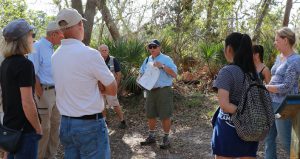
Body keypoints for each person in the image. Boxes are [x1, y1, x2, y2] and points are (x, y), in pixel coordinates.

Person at [52, 8, 117, 158]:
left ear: (61, 31)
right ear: (80, 24)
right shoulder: (90, 54)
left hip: (66, 125)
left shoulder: (55, 56)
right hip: (89, 125)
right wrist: (100, 87)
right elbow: (112, 89)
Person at [212, 32, 259, 158]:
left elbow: (224, 105)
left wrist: (242, 113)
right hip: (250, 129)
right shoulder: (254, 73)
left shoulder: (227, 71)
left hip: (228, 129)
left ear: (228, 49)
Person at [1, 19, 42, 158]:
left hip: (10, 127)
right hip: (25, 131)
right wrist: (37, 127)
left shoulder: (5, 63)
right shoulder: (25, 64)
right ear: (24, 39)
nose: (33, 38)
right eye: (31, 35)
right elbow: (27, 102)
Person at [27, 21, 64, 159]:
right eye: (61, 34)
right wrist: (40, 94)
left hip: (56, 93)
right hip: (44, 93)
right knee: (44, 129)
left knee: (55, 127)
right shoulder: (38, 47)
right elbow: (32, 73)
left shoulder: (53, 48)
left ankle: (51, 155)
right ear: (53, 34)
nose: (63, 37)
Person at [264, 27, 300, 159]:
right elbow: (275, 77)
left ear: (285, 40)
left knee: (286, 141)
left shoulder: (296, 60)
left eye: (277, 40)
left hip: (283, 107)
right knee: (268, 138)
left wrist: (266, 87)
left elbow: (286, 86)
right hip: (271, 103)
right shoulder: (279, 58)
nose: (275, 43)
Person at [139, 39, 177, 149]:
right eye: (150, 47)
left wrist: (163, 66)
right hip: (150, 91)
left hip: (163, 90)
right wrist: (141, 79)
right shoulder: (147, 60)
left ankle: (166, 138)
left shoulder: (166, 59)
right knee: (150, 114)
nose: (152, 49)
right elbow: (141, 72)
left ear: (159, 47)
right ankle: (151, 136)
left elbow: (174, 74)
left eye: (154, 47)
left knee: (165, 115)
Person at [98, 44, 127, 129]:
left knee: (115, 104)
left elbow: (118, 74)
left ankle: (122, 121)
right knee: (102, 105)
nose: (104, 52)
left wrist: (116, 86)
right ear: (99, 51)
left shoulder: (113, 60)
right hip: (100, 87)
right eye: (102, 50)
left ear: (108, 51)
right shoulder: (97, 60)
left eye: (105, 50)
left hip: (111, 87)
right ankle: (104, 121)